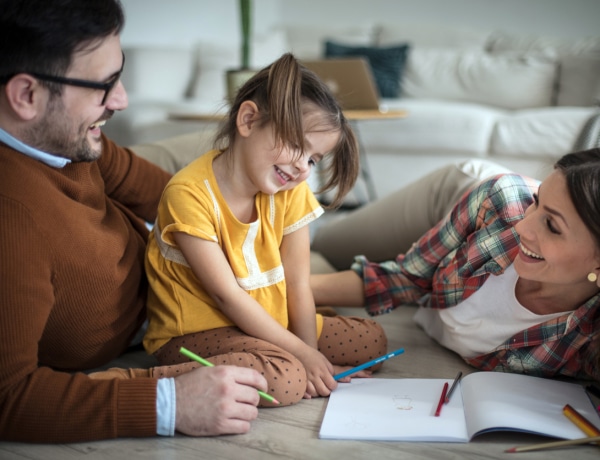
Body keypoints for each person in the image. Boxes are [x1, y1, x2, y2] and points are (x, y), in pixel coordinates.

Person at [0, 0, 269, 443]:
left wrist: (243, 237)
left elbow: (171, 194)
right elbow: (8, 396)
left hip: (176, 246)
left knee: (265, 160)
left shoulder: (67, 140)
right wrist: (170, 403)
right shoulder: (13, 221)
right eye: (103, 85)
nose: (122, 100)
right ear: (27, 95)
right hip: (170, 300)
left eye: (118, 75)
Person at [142, 53, 388, 407]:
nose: (303, 168)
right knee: (287, 380)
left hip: (264, 320)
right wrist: (302, 359)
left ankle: (286, 355)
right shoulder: (188, 195)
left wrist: (312, 355)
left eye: (313, 159)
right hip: (193, 336)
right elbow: (229, 297)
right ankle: (150, 380)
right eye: (297, 147)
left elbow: (298, 283)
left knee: (372, 341)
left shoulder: (290, 188)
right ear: (248, 120)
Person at [311, 151, 600, 381]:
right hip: (461, 202)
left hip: (452, 277)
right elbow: (403, 280)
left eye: (551, 225)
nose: (524, 226)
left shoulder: (590, 333)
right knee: (324, 242)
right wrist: (280, 293)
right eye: (537, 203)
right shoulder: (503, 206)